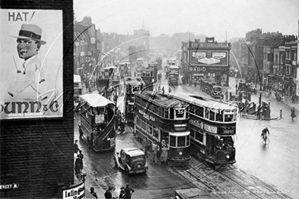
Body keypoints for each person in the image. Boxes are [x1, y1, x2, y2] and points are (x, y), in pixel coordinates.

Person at [8, 24, 47, 100]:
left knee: (27, 82)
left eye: (27, 42)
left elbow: (40, 67)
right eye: (19, 42)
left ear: (38, 47)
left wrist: (42, 77)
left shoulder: (34, 61)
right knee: (33, 84)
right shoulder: (28, 62)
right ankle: (43, 94)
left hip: (29, 79)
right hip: (31, 80)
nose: (21, 46)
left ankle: (14, 92)